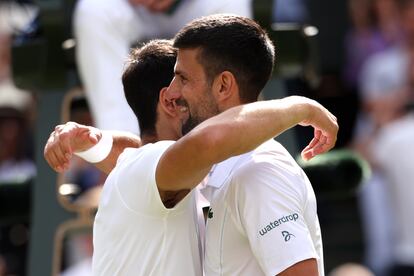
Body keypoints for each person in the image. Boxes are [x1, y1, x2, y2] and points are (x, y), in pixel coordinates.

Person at [45, 15, 338, 276]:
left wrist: (94, 144)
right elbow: (183, 150)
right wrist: (301, 108)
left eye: (182, 78)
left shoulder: (260, 171)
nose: (174, 91)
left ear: (223, 85)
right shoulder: (181, 169)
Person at [73, 0, 252, 134]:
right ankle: (126, 153)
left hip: (199, 6)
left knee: (232, 5)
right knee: (93, 12)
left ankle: (225, 142)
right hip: (131, 8)